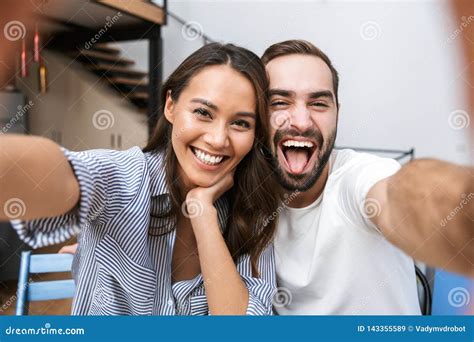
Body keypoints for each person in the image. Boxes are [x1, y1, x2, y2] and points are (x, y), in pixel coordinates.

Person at [0, 43, 280, 315]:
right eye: (203, 113)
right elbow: (61, 173)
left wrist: (203, 213)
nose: (219, 139)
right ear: (170, 105)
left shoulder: (253, 212)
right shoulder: (124, 177)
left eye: (241, 123)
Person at [262, 40, 473, 315]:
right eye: (280, 102)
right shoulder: (248, 204)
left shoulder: (356, 179)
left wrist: (462, 213)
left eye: (318, 104)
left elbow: (398, 195)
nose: (301, 121)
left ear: (337, 113)